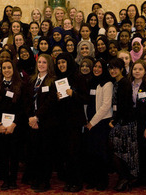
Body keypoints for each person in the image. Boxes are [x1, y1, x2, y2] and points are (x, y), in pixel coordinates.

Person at [55, 53, 88, 192]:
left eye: (64, 62)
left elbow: (85, 98)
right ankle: (69, 181)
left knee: (74, 152)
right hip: (63, 121)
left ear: (69, 62)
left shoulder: (78, 77)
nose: (61, 65)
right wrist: (58, 98)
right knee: (66, 153)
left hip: (75, 122)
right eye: (59, 62)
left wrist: (72, 94)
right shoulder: (58, 78)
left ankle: (77, 182)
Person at [24, 54, 57, 192]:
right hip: (32, 122)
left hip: (46, 122)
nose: (41, 64)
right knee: (34, 152)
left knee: (45, 153)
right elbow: (27, 101)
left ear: (49, 65)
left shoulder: (54, 81)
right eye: (40, 62)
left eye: (44, 62)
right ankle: (36, 178)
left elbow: (50, 103)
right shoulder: (32, 80)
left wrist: (37, 117)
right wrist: (31, 118)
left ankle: (45, 181)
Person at [0, 60, 23, 190]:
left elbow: (23, 108)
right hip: (1, 127)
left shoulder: (20, 85)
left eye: (9, 67)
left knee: (14, 154)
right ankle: (5, 179)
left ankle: (13, 179)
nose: (6, 70)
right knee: (3, 154)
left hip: (15, 126)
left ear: (13, 69)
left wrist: (14, 124)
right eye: (4, 68)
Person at [128, 59, 146, 192]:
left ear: (145, 71)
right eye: (135, 69)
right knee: (138, 153)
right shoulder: (129, 85)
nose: (137, 71)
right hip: (134, 124)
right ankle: (140, 178)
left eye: (140, 69)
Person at [108, 58, 138, 192]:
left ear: (121, 69)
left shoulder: (124, 83)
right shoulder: (117, 82)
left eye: (116, 68)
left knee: (123, 153)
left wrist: (114, 121)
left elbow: (125, 105)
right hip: (120, 121)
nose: (113, 71)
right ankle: (124, 177)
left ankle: (125, 177)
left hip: (125, 123)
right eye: (111, 68)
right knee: (118, 152)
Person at [85, 59, 113, 191]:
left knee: (101, 152)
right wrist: (86, 120)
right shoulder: (91, 82)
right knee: (91, 152)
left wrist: (92, 122)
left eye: (99, 67)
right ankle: (93, 179)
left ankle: (102, 180)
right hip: (89, 122)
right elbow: (87, 102)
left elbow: (106, 106)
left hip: (101, 123)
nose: (96, 69)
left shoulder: (107, 83)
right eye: (95, 66)